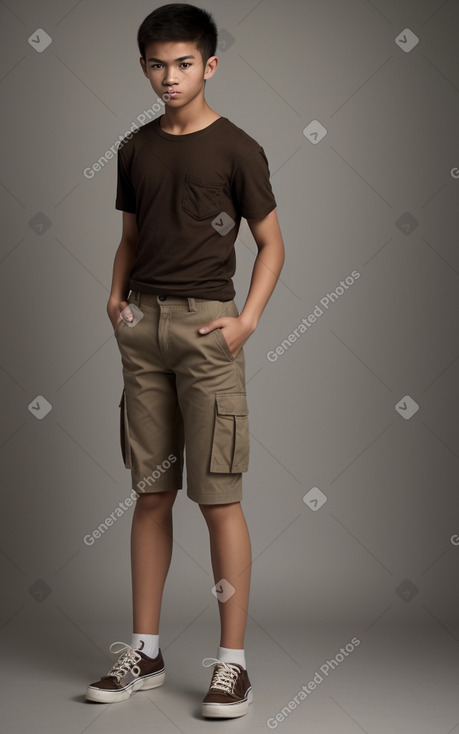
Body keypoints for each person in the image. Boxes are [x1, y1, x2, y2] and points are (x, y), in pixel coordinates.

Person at [85, 2, 285, 719]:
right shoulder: (136, 148)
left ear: (210, 65)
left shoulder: (237, 148)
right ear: (144, 67)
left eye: (183, 64)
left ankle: (231, 665)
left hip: (208, 333)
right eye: (156, 65)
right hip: (144, 329)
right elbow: (132, 237)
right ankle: (144, 649)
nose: (169, 77)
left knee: (219, 498)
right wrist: (115, 300)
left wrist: (247, 322)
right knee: (151, 494)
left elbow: (272, 243)